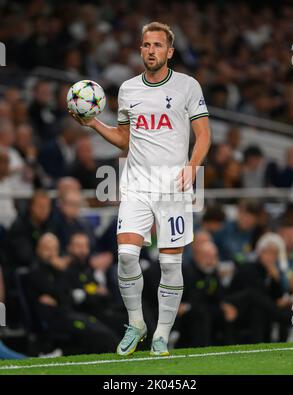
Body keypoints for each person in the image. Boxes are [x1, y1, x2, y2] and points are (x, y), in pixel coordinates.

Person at [70, 21, 211, 356]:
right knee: (126, 256)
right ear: (140, 49)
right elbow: (124, 139)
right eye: (146, 45)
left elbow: (204, 134)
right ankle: (136, 323)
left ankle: (162, 334)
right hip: (136, 184)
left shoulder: (188, 87)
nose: (151, 51)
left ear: (169, 51)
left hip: (174, 185)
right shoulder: (129, 89)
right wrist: (93, 124)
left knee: (170, 265)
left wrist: (193, 168)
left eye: (158, 45)